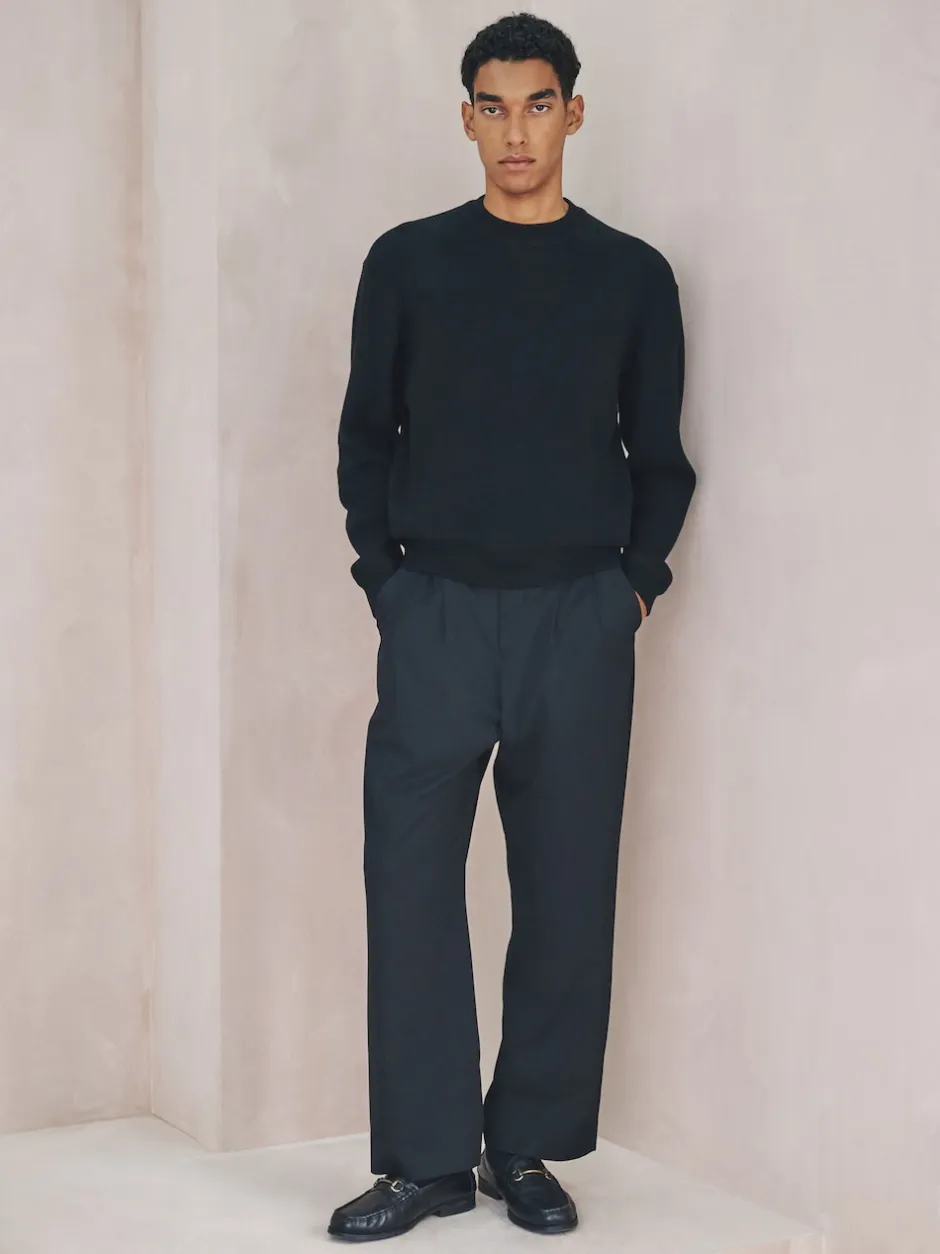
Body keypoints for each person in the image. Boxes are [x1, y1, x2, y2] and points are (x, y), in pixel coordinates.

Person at [329, 11, 696, 1242]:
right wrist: (386, 579)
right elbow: (364, 433)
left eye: (537, 104)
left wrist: (631, 585)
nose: (515, 131)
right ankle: (426, 1163)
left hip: (576, 621)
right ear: (466, 118)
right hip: (434, 613)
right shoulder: (407, 262)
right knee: (409, 883)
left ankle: (522, 1145)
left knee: (565, 889)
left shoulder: (631, 276)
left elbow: (659, 455)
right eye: (492, 106)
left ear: (572, 113)